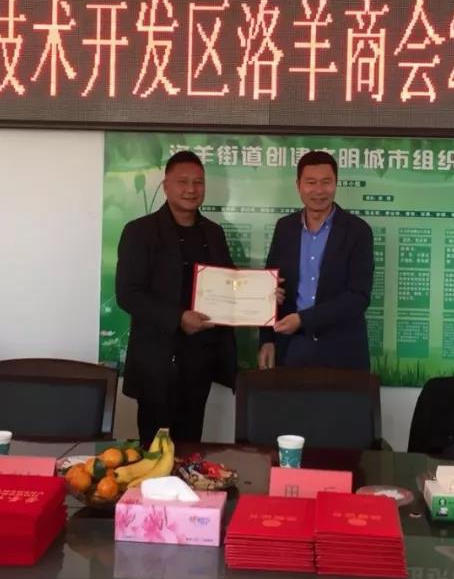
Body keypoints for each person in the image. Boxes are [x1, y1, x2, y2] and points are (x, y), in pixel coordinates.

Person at [115, 150, 237, 445]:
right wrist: (178, 317)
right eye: (182, 182)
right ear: (166, 186)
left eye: (198, 182)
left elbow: (229, 283)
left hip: (199, 361)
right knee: (154, 452)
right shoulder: (140, 231)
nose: (191, 189)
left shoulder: (214, 233)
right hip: (156, 363)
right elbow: (128, 294)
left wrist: (263, 292)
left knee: (191, 448)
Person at [258, 150, 374, 370]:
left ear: (336, 184)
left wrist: (304, 319)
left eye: (326, 182)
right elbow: (270, 285)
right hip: (291, 346)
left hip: (340, 349)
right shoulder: (285, 228)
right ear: (298, 185)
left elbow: (359, 296)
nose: (319, 190)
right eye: (311, 182)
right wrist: (267, 339)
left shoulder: (358, 231)